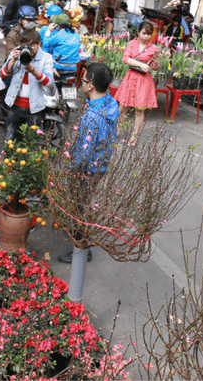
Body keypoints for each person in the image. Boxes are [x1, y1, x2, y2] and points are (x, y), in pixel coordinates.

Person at [59, 62, 120, 263]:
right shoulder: (111, 104)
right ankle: (83, 243)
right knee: (85, 204)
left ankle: (81, 249)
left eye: (83, 81)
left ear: (91, 86)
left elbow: (83, 155)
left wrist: (71, 170)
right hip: (100, 165)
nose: (82, 84)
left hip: (85, 169)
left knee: (79, 207)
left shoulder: (91, 117)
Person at [0, 29, 55, 142]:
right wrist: (13, 59)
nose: (29, 49)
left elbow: (49, 82)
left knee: (31, 144)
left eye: (32, 45)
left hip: (34, 109)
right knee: (10, 141)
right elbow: (3, 75)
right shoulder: (17, 53)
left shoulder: (46, 58)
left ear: (39, 44)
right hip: (14, 106)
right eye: (26, 45)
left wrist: (33, 70)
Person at [114, 20, 159, 142]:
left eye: (149, 34)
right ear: (138, 32)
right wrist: (141, 65)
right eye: (144, 33)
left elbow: (155, 67)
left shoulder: (153, 48)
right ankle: (117, 129)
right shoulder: (132, 44)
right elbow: (125, 58)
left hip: (144, 80)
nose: (146, 36)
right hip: (131, 77)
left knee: (140, 109)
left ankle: (134, 136)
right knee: (123, 106)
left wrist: (157, 61)